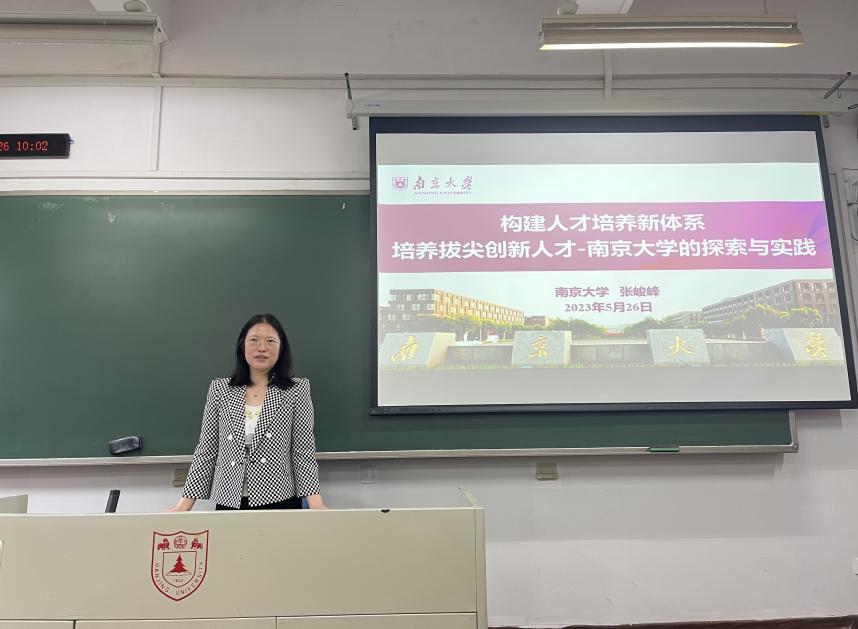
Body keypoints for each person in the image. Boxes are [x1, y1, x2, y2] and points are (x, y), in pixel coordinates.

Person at [167, 313, 326, 511]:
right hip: (229, 499)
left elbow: (303, 452)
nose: (262, 348)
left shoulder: (296, 390)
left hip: (279, 497)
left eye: (270, 341)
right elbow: (206, 451)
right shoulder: (220, 389)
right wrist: (182, 507)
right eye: (254, 340)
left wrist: (317, 505)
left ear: (281, 348)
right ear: (242, 345)